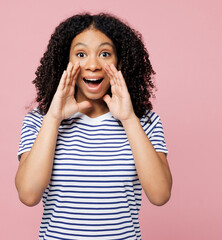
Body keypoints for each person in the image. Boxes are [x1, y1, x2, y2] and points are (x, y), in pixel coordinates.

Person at [15, 12, 172, 240]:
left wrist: (129, 119)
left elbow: (160, 195)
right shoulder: (39, 121)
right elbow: (28, 195)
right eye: (81, 54)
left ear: (120, 61)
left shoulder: (145, 122)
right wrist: (53, 118)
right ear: (65, 62)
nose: (92, 65)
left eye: (105, 54)